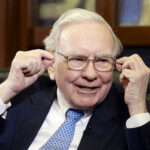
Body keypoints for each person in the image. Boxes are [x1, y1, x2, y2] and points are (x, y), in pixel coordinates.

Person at [0, 8, 150, 150]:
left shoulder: (132, 112)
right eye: (78, 59)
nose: (90, 74)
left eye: (102, 60)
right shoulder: (21, 95)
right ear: (52, 65)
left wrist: (137, 105)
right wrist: (9, 89)